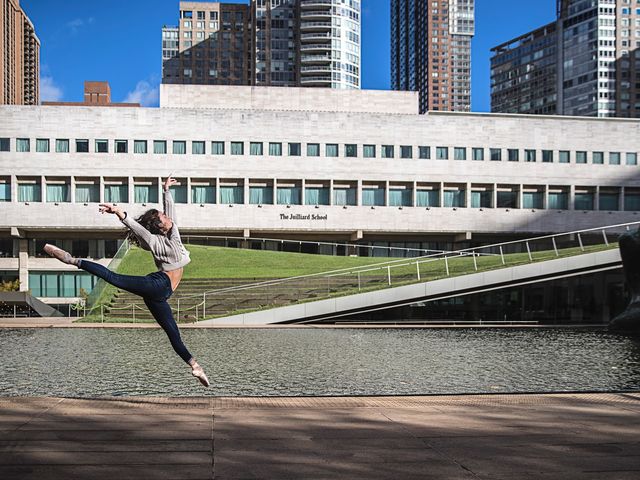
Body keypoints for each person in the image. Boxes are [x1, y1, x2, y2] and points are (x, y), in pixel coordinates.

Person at [43, 175, 210, 387]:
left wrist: (166, 190)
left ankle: (195, 366)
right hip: (158, 284)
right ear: (160, 226)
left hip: (161, 296)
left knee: (173, 332)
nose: (168, 215)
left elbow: (170, 213)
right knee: (114, 278)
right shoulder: (156, 239)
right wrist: (121, 214)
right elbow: (139, 228)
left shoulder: (171, 233)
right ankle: (72, 259)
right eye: (163, 215)